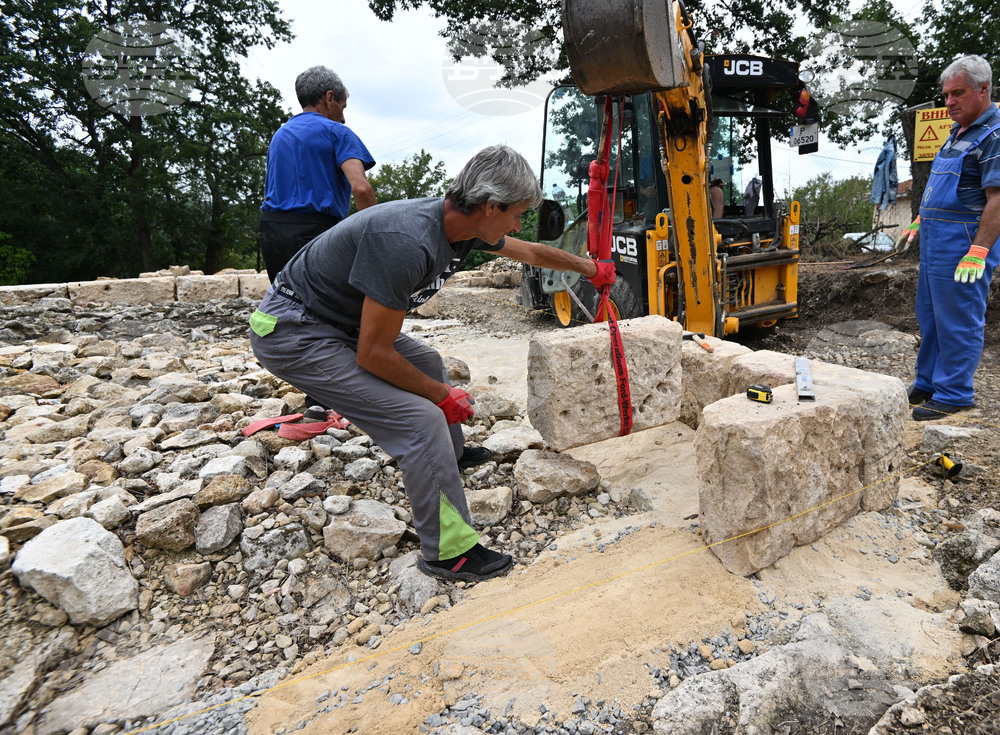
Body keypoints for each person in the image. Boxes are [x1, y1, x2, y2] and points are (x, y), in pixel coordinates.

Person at [248, 145, 616, 582]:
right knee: (421, 421)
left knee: (426, 359)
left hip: (333, 322)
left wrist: (591, 268)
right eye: (516, 213)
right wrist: (442, 397)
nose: (518, 223)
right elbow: (374, 353)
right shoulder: (407, 241)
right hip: (292, 331)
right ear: (489, 205)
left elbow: (531, 253)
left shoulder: (467, 228)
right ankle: (449, 553)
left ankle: (449, 459)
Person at [910, 55, 1000, 421]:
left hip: (964, 241)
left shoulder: (994, 136)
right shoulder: (958, 133)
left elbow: (997, 198)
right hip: (935, 239)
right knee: (930, 314)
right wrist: (919, 219)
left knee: (958, 316)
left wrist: (979, 249)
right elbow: (944, 186)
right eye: (946, 95)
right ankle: (928, 382)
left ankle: (955, 392)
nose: (949, 102)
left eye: (957, 93)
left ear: (983, 89)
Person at [258, 66, 377, 283]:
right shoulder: (337, 132)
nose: (343, 118)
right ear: (329, 98)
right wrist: (377, 239)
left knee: (283, 302)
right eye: (343, 107)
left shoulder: (280, 134)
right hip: (314, 232)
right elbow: (361, 188)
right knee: (328, 306)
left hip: (271, 232)